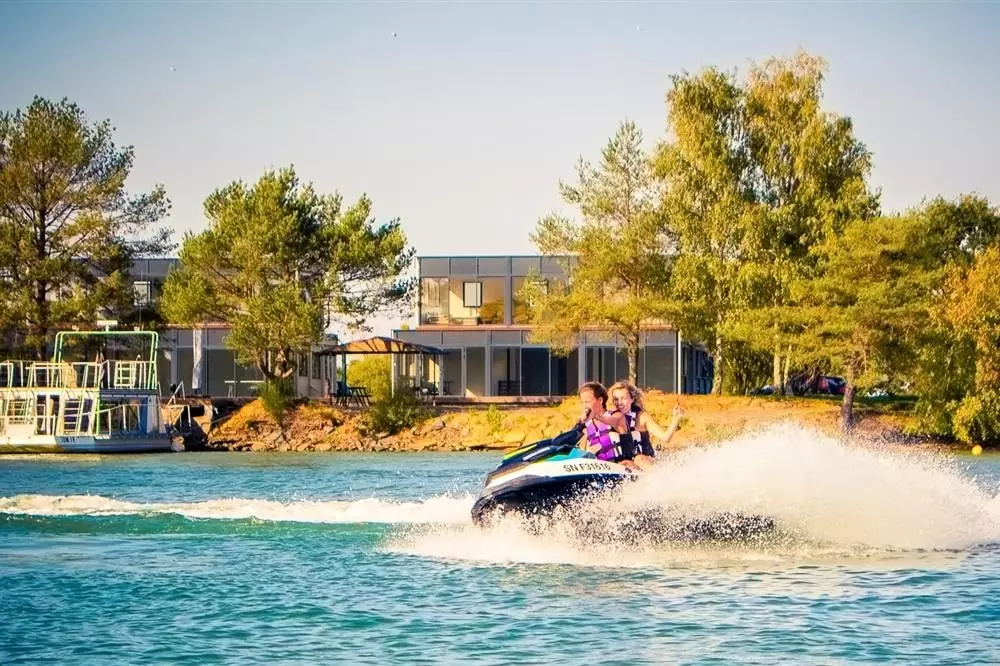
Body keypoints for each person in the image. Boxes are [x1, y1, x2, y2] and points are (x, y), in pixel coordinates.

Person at [609, 380, 683, 471]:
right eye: (616, 399)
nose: (619, 402)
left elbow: (665, 437)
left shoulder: (642, 417)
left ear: (632, 399)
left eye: (623, 398)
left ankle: (659, 477)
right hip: (626, 466)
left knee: (638, 459)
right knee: (623, 462)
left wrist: (676, 419)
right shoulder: (610, 418)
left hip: (645, 461)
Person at [574, 381, 629, 462]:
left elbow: (613, 421)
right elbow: (581, 451)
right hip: (598, 466)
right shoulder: (586, 425)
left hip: (619, 464)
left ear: (600, 400)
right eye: (582, 402)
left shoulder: (617, 416)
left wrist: (595, 415)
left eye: (587, 402)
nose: (585, 406)